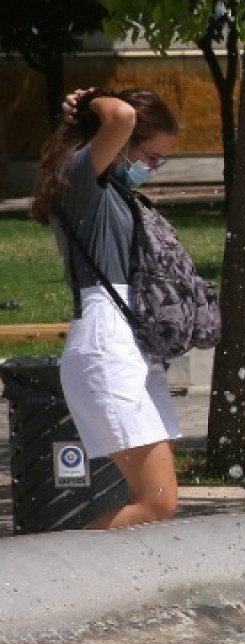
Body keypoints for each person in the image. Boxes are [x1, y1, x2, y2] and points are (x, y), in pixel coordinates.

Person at [30, 88, 183, 528]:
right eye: (150, 158)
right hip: (107, 341)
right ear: (120, 142)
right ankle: (59, 580)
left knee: (157, 501)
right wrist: (92, 98)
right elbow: (119, 114)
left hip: (133, 345)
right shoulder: (82, 181)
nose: (151, 170)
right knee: (157, 503)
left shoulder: (113, 191)